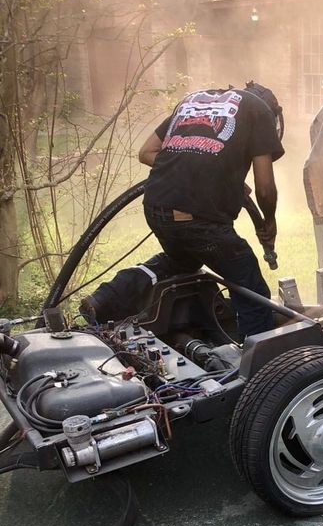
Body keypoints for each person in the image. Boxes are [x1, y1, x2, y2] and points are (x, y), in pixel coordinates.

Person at [81, 82, 284, 340]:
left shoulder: (194, 101)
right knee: (249, 284)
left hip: (156, 209)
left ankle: (105, 299)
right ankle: (260, 367)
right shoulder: (259, 110)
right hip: (197, 220)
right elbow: (265, 188)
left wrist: (215, 174)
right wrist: (270, 222)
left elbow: (147, 153)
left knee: (182, 261)